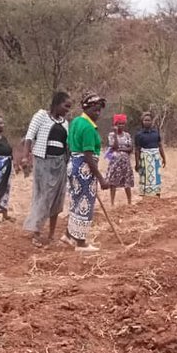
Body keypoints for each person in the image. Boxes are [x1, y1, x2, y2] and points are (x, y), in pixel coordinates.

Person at [21, 91, 72, 247]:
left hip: (60, 163)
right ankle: (36, 233)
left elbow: (67, 144)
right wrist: (25, 156)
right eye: (66, 106)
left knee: (57, 197)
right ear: (57, 104)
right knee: (44, 196)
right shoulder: (41, 116)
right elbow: (29, 136)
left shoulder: (65, 123)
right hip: (43, 161)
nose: (67, 110)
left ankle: (51, 234)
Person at [64, 93, 109, 253]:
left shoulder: (76, 121)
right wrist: (101, 179)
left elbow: (69, 146)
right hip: (85, 168)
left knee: (75, 201)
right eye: (95, 110)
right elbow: (88, 156)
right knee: (85, 204)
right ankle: (81, 242)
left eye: (99, 111)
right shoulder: (88, 128)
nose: (98, 113)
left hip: (73, 165)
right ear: (87, 108)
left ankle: (69, 235)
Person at [105, 113, 135, 206]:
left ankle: (129, 202)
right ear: (115, 125)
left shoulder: (127, 135)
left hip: (125, 162)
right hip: (115, 161)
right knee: (113, 182)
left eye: (122, 123)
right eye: (118, 124)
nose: (120, 126)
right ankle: (112, 203)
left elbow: (130, 149)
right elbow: (114, 146)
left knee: (127, 182)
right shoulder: (111, 135)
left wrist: (120, 149)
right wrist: (115, 134)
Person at [134, 111, 165, 197]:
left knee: (156, 176)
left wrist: (164, 158)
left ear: (151, 121)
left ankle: (157, 194)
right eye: (145, 120)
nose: (147, 122)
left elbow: (160, 145)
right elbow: (137, 150)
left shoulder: (156, 133)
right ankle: (146, 196)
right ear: (142, 122)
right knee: (146, 177)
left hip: (155, 157)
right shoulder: (139, 135)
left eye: (149, 120)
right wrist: (137, 163)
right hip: (145, 158)